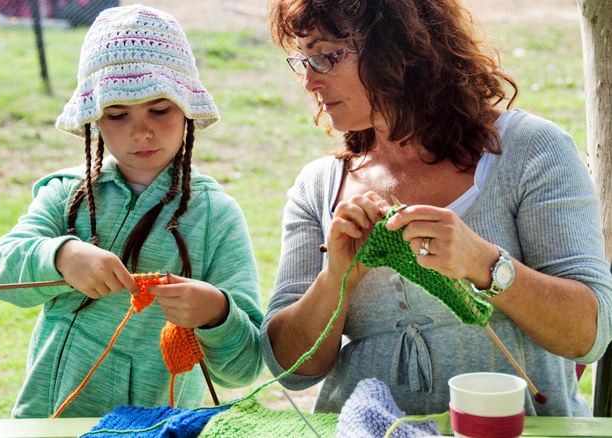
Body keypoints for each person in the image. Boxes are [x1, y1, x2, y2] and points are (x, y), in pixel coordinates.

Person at [261, 0, 612, 417]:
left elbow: (588, 337)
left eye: (324, 57)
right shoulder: (317, 186)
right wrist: (336, 281)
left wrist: (485, 264)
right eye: (303, 61)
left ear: (396, 47)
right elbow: (291, 371)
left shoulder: (531, 150)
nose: (309, 83)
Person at [0, 4, 264, 419]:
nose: (142, 131)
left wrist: (215, 313)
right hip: (48, 420)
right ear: (94, 118)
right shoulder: (67, 194)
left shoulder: (215, 217)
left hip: (153, 426)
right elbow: (0, 276)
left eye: (160, 108)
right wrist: (61, 257)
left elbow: (243, 367)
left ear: (187, 105)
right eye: (117, 114)